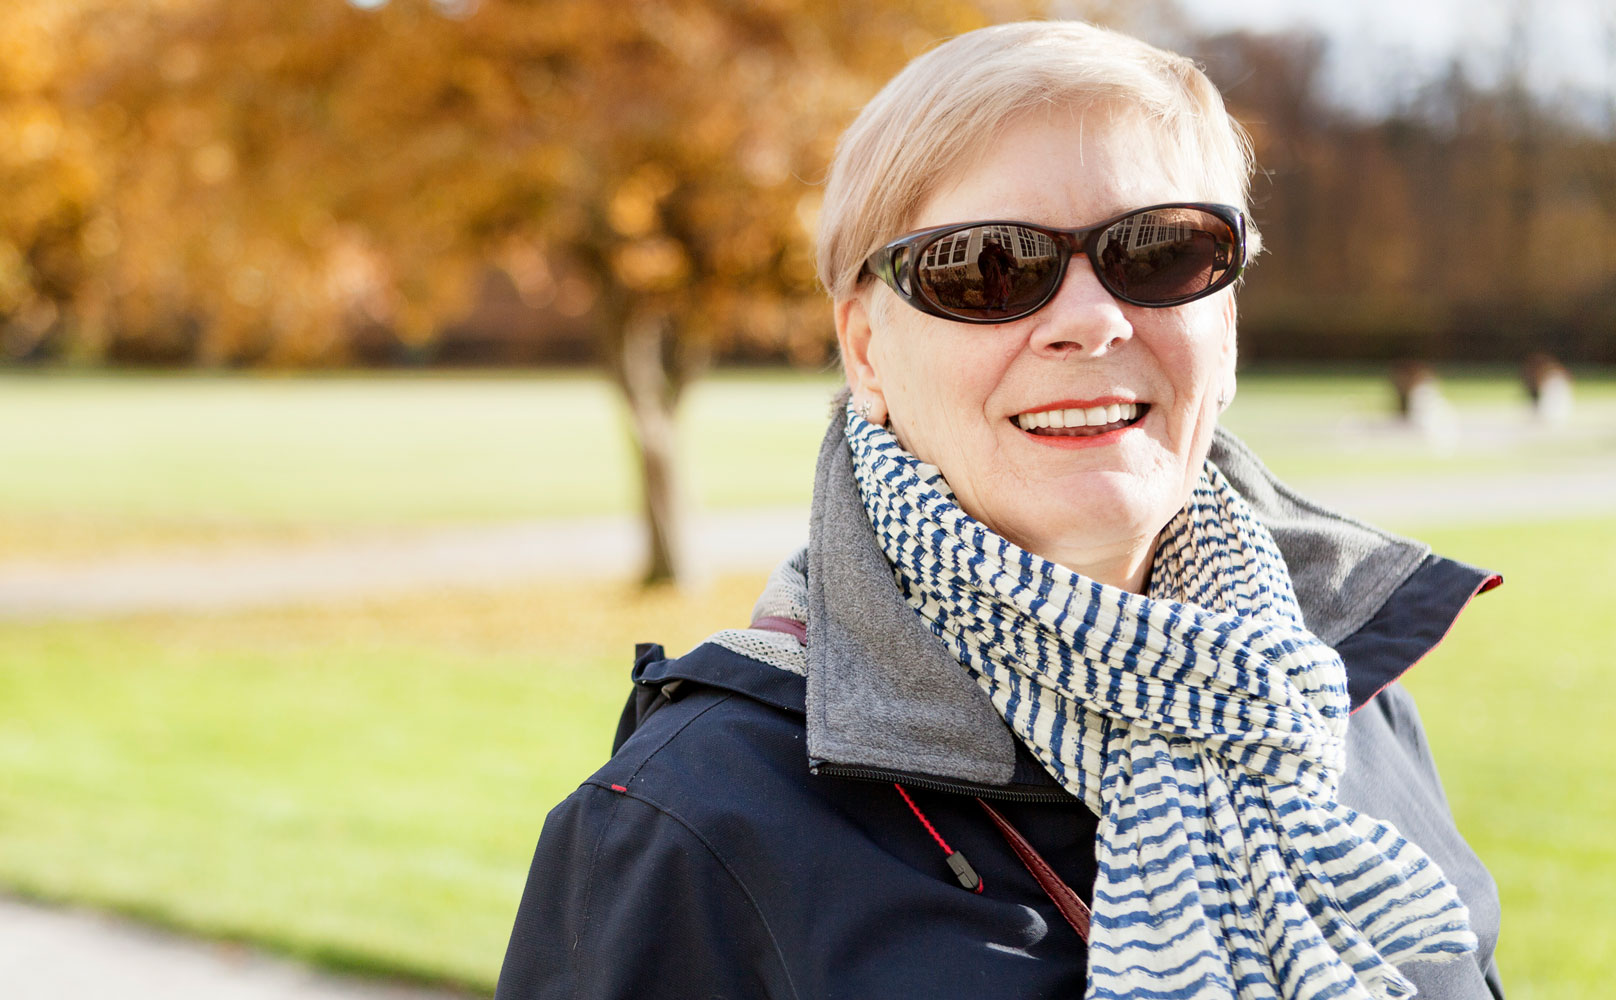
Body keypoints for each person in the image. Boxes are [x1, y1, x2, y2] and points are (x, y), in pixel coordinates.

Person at [496, 21, 1504, 1000]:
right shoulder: (694, 820)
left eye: (1159, 251)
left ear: (1225, 324)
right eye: (988, 268)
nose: (1088, 320)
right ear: (864, 351)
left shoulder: (1337, 702)